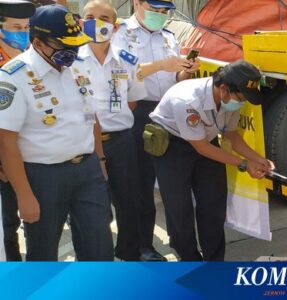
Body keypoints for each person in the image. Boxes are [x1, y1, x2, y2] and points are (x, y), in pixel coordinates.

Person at [0, 4, 113, 261]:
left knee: (99, 246)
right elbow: (6, 141)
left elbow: (91, 116)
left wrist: (100, 159)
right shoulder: (13, 77)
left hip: (88, 170)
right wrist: (24, 195)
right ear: (38, 43)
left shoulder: (78, 66)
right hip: (43, 176)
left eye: (76, 45)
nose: (72, 51)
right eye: (64, 46)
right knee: (43, 252)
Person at [149, 60, 274, 261]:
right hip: (173, 148)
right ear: (224, 89)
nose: (241, 102)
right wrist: (243, 164)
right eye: (240, 98)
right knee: (179, 212)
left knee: (213, 208)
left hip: (206, 142)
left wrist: (258, 159)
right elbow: (201, 147)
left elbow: (231, 136)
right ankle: (190, 260)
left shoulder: (231, 98)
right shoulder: (188, 101)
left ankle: (214, 263)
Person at [112, 0, 199, 261]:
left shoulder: (169, 36)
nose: (160, 16)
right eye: (155, 9)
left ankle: (179, 241)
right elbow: (120, 72)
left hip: (167, 112)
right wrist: (162, 65)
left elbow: (174, 78)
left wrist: (184, 71)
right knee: (140, 184)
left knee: (169, 182)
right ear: (137, 4)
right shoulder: (120, 33)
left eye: (164, 12)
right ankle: (142, 246)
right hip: (137, 111)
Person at [78, 0, 147, 261]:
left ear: (115, 27)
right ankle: (96, 258)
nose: (97, 22)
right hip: (82, 143)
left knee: (128, 201)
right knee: (91, 207)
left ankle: (129, 254)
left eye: (104, 18)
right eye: (90, 16)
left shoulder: (128, 60)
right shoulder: (68, 59)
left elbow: (133, 99)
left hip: (120, 141)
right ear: (81, 21)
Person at [0, 0, 34, 261]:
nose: (22, 33)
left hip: (32, 152)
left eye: (26, 27)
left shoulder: (33, 54)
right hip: (4, 155)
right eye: (15, 27)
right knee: (6, 222)